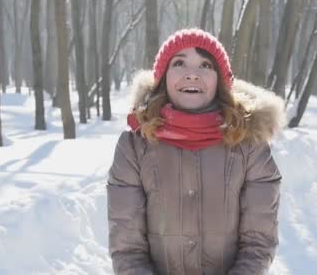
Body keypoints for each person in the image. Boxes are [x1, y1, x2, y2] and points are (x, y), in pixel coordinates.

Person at [107, 28, 284, 274]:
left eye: (205, 65)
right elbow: (127, 249)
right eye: (179, 63)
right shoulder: (134, 146)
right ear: (163, 77)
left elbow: (257, 244)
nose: (192, 74)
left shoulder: (249, 144)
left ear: (220, 80)